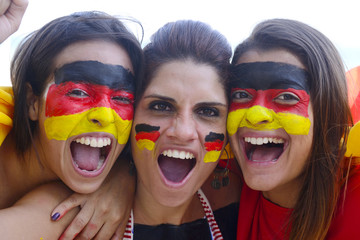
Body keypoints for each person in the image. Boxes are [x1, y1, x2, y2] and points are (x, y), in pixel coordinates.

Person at [0, 11, 144, 239]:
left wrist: (127, 173)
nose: (105, 116)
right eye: (78, 92)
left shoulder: (65, 192)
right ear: (32, 102)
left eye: (122, 98)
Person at [227, 18, 357, 239]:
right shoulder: (220, 183)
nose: (256, 115)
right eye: (241, 95)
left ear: (328, 113)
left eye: (287, 97)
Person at [123, 19, 240, 240]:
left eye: (207, 111)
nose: (183, 132)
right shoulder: (70, 222)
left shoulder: (245, 201)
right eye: (161, 106)